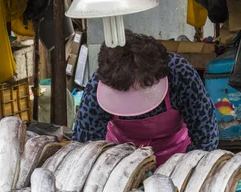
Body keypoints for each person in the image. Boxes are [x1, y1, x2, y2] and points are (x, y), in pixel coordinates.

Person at [73, 30, 218, 167]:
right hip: (121, 159)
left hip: (177, 154)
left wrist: (189, 168)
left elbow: (205, 133)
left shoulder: (179, 73)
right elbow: (86, 147)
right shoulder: (97, 87)